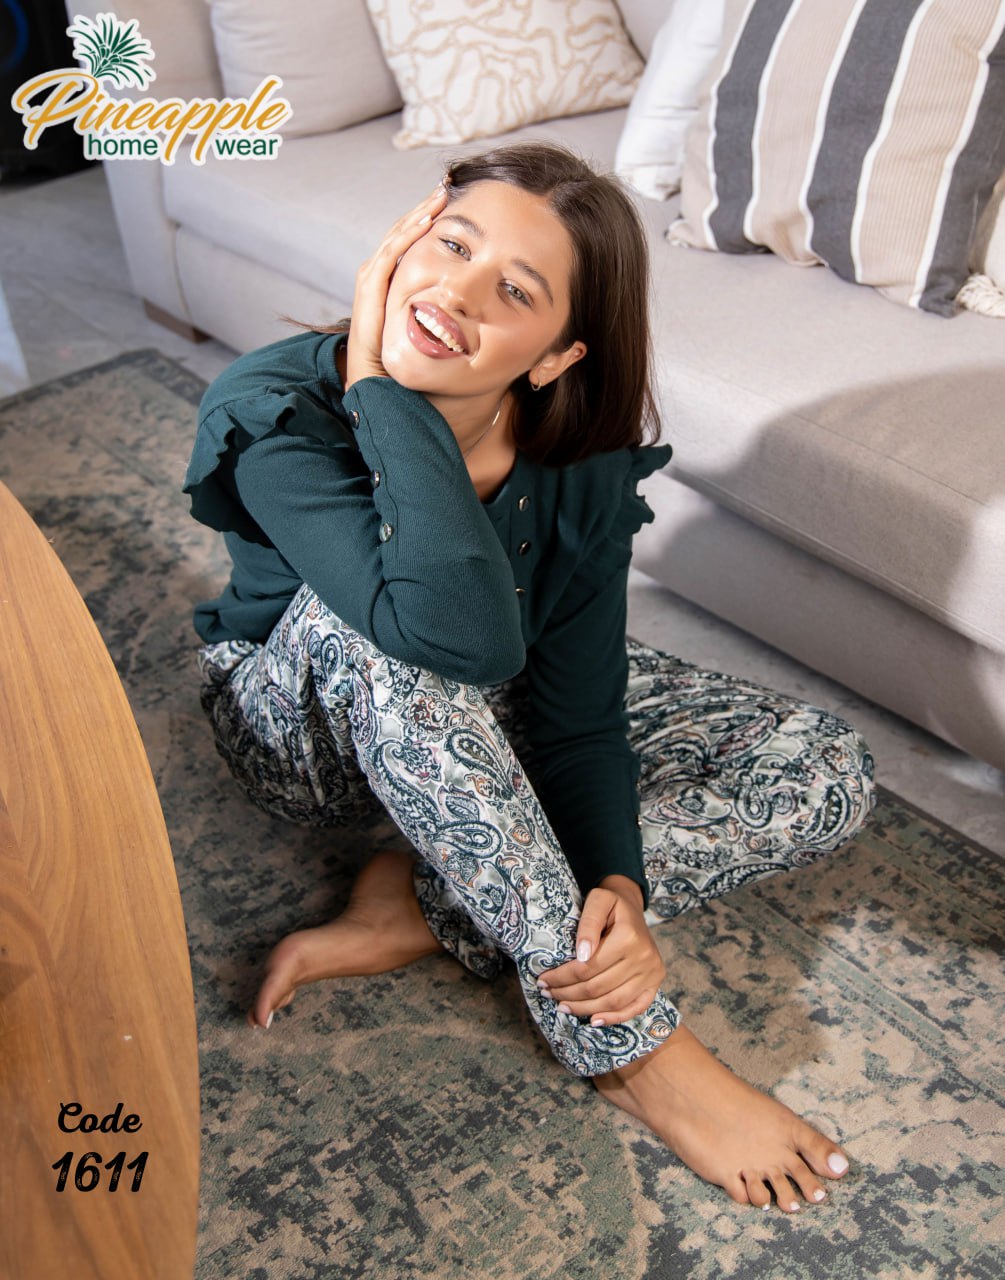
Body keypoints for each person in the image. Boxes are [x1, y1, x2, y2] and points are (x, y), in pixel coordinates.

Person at [184, 141, 874, 1214]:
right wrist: (381, 391)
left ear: (554, 356)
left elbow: (578, 715)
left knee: (822, 765)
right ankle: (634, 1052)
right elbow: (446, 632)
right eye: (449, 243)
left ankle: (432, 897)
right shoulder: (284, 414)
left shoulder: (577, 461)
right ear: (400, 244)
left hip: (475, 712)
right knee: (403, 638)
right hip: (310, 724)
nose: (454, 290)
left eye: (514, 290)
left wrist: (620, 883)